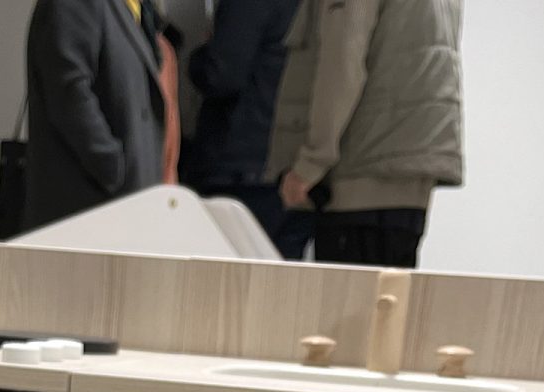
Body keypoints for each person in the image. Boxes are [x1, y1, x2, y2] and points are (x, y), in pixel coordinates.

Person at [267, 0, 463, 269]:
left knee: (349, 294)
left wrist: (309, 164)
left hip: (360, 171)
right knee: (388, 292)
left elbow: (342, 64)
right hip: (411, 176)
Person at [181, 0, 312, 257]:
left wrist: (197, 57)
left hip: (238, 166)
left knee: (223, 275)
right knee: (282, 275)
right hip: (294, 168)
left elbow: (222, 74)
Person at [23, 0, 167, 233]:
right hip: (88, 212)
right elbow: (69, 92)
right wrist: (114, 168)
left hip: (124, 209)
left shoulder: (134, 7)